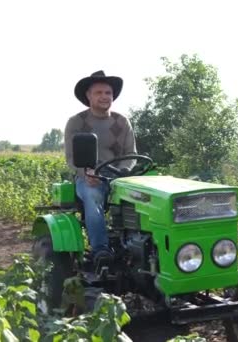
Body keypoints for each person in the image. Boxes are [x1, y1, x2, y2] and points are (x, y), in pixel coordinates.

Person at [64, 70, 136, 265]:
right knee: (93, 196)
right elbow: (71, 158)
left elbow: (131, 155)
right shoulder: (77, 122)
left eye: (108, 93)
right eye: (99, 93)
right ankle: (101, 250)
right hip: (89, 176)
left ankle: (138, 249)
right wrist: (86, 172)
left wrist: (124, 171)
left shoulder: (122, 122)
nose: (105, 97)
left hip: (118, 176)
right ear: (88, 95)